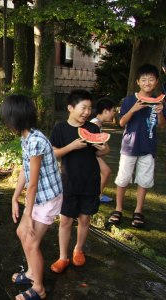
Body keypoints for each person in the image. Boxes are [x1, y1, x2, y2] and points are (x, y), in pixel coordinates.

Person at [0, 94, 63, 300]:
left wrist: (28, 214)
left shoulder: (36, 141)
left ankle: (39, 289)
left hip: (47, 199)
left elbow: (33, 183)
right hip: (38, 197)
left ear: (14, 119)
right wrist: (14, 197)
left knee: (32, 242)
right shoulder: (26, 137)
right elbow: (25, 171)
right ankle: (31, 273)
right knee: (22, 233)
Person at [49, 89, 109, 274]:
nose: (86, 112)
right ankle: (62, 257)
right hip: (69, 182)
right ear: (70, 108)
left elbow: (99, 152)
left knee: (85, 219)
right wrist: (72, 146)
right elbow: (53, 153)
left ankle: (78, 250)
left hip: (90, 181)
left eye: (89, 108)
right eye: (83, 108)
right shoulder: (60, 128)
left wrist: (104, 148)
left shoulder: (92, 128)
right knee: (65, 221)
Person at [108, 64, 166, 228]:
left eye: (151, 79)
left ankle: (138, 211)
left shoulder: (159, 102)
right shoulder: (129, 100)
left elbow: (162, 125)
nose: (148, 83)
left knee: (144, 180)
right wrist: (133, 109)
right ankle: (118, 209)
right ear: (138, 82)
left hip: (148, 148)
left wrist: (160, 112)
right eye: (144, 79)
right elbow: (121, 122)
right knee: (123, 179)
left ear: (156, 82)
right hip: (129, 147)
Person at [90, 97, 117, 203]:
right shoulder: (95, 124)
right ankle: (97, 195)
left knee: (104, 172)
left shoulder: (97, 123)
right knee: (106, 171)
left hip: (94, 154)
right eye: (113, 110)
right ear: (106, 111)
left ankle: (98, 194)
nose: (114, 113)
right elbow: (94, 143)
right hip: (91, 155)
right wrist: (105, 148)